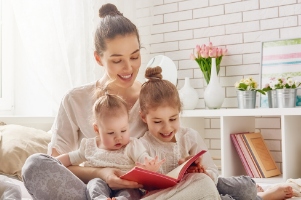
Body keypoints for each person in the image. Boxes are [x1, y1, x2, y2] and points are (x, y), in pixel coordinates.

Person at [21, 3, 219, 200]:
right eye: (117, 60)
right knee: (35, 165)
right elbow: (54, 165)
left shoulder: (154, 97)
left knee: (203, 184)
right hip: (92, 192)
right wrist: (103, 174)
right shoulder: (74, 100)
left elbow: (175, 149)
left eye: (135, 56)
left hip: (144, 194)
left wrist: (190, 168)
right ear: (98, 58)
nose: (128, 68)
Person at [136, 66, 293, 200]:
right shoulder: (141, 146)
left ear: (179, 112)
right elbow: (143, 190)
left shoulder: (189, 136)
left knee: (245, 187)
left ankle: (255, 194)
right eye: (157, 122)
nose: (167, 128)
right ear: (143, 116)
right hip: (185, 194)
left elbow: (213, 173)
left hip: (206, 183)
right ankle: (263, 197)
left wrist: (202, 170)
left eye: (173, 119)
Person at [56, 84, 164, 200]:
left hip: (126, 185)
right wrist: (53, 162)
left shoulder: (132, 145)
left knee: (131, 192)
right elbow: (70, 158)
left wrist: (149, 166)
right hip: (101, 184)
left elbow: (143, 157)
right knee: (94, 184)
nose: (118, 138)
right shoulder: (89, 147)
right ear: (97, 130)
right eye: (111, 133)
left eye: (123, 130)